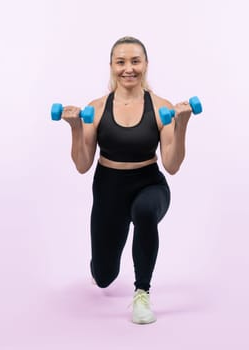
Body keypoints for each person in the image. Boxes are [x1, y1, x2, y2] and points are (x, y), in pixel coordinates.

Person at [61, 36, 193, 324]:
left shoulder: (161, 107)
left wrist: (182, 125)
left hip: (149, 184)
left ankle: (142, 294)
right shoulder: (95, 108)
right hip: (109, 189)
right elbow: (83, 165)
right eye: (121, 62)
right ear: (111, 66)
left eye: (135, 61)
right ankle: (100, 268)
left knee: (145, 212)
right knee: (105, 276)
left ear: (145, 65)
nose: (128, 68)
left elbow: (171, 165)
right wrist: (74, 128)